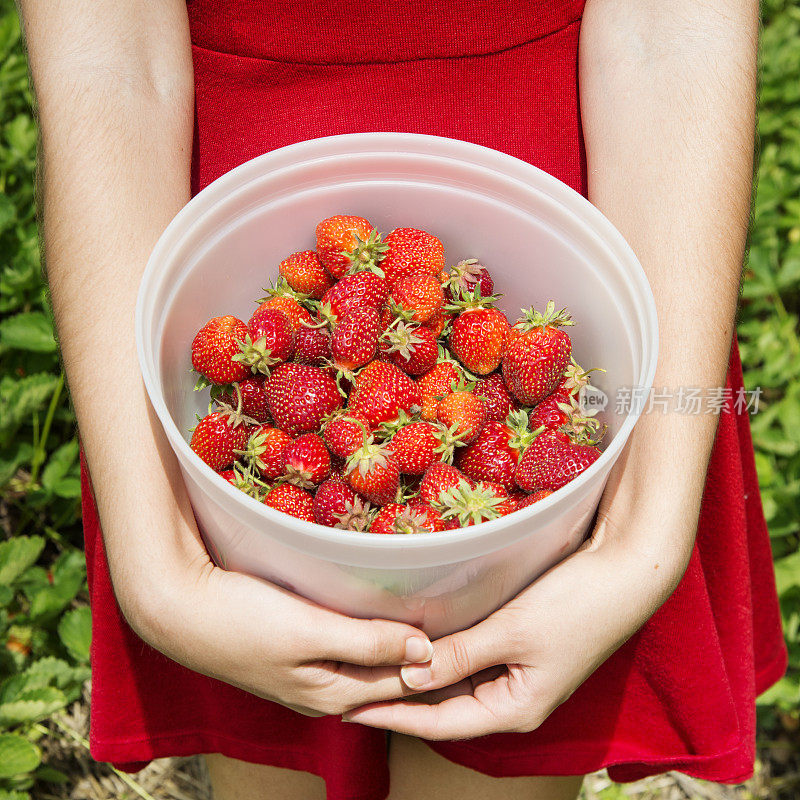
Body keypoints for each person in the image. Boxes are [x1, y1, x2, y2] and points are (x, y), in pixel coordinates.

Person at [20, 0, 787, 798]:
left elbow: (671, 33)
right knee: (276, 752)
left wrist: (638, 537)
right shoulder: (302, 371)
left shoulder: (491, 356)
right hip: (198, 201)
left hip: (592, 202)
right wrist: (161, 569)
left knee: (501, 762)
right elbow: (108, 61)